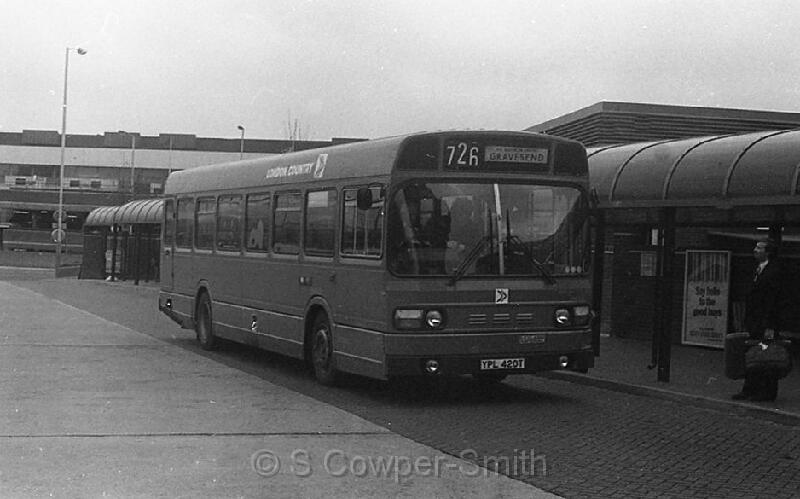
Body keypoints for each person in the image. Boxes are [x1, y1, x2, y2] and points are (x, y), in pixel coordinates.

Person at [732, 239, 784, 402]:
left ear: (767, 252)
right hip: (755, 322)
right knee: (754, 354)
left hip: (765, 322)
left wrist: (769, 325)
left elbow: (774, 300)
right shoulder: (757, 270)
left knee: (767, 356)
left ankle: (767, 391)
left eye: (759, 248)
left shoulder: (774, 272)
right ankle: (750, 389)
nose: (755, 250)